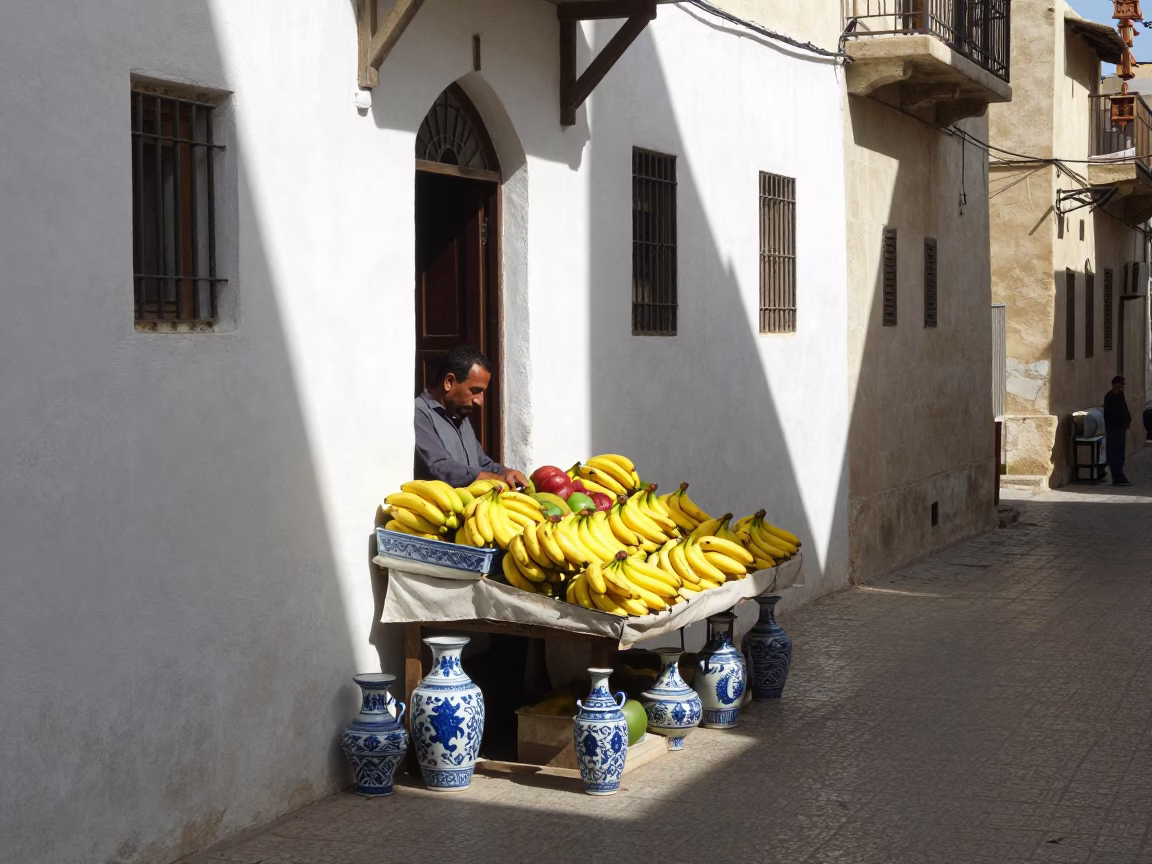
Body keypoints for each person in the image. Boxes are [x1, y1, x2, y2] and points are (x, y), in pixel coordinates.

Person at [414, 345, 529, 489]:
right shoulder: (420, 414)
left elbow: (481, 463)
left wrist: (505, 472)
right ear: (449, 382)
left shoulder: (460, 415)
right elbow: (437, 467)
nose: (479, 401)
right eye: (475, 391)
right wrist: (491, 478)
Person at [1103, 375, 1133, 487]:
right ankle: (1117, 477)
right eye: (1121, 384)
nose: (1123, 387)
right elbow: (1112, 415)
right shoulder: (1109, 397)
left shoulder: (1120, 396)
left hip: (1121, 429)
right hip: (1114, 429)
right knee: (1114, 454)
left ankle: (1120, 476)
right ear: (1115, 384)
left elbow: (1124, 409)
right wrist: (1122, 422)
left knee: (1120, 455)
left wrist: (1127, 421)